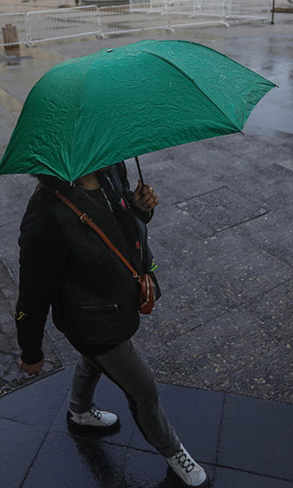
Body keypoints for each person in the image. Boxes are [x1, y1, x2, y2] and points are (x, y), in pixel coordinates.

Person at [16, 163, 209, 487]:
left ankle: (79, 410)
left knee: (95, 359)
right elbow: (32, 296)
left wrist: (139, 207)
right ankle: (173, 451)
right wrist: (31, 351)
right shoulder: (46, 211)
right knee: (143, 389)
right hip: (89, 319)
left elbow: (120, 226)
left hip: (119, 300)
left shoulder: (109, 169)